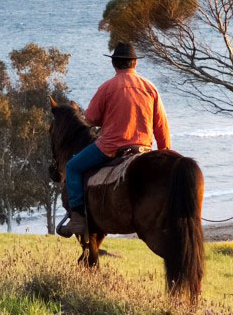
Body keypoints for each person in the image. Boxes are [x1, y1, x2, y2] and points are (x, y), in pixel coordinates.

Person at [56, 42, 172, 238]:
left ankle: (77, 217)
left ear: (115, 64)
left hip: (109, 148)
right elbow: (161, 125)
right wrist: (165, 152)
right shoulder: (150, 88)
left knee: (72, 167)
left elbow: (90, 119)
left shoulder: (107, 87)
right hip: (143, 148)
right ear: (134, 64)